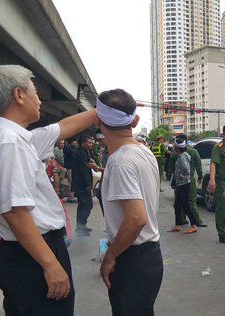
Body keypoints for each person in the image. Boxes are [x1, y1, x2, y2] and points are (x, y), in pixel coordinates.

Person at [0, 64, 97, 315]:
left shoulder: (13, 137)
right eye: (35, 92)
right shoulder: (9, 142)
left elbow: (63, 128)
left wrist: (102, 111)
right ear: (19, 95)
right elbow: (16, 213)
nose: (39, 99)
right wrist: (50, 264)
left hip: (24, 252)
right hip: (32, 255)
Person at [95, 89, 163, 316]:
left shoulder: (120, 161)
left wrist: (109, 257)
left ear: (98, 121)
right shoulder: (144, 152)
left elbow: (136, 219)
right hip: (148, 256)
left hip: (132, 260)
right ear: (134, 121)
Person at [166, 134, 206, 227]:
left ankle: (182, 220)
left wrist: (172, 181)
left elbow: (171, 169)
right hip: (189, 179)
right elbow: (198, 165)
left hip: (178, 180)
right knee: (190, 201)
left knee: (180, 202)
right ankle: (197, 221)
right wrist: (200, 176)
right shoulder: (193, 152)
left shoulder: (174, 154)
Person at [71, 135, 96, 236]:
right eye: (89, 142)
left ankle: (81, 227)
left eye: (91, 142)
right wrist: (88, 184)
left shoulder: (83, 152)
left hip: (80, 184)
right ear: (83, 143)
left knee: (82, 206)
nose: (91, 144)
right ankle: (80, 228)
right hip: (82, 185)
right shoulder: (81, 154)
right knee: (87, 205)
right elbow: (83, 170)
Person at [93, 130, 108, 215]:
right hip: (103, 184)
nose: (99, 142)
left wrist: (98, 168)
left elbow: (112, 170)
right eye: (98, 140)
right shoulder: (105, 151)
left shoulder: (114, 151)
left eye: (101, 140)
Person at [63, 139, 78, 203]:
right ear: (69, 144)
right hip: (69, 168)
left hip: (70, 168)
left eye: (76, 144)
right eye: (73, 144)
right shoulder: (69, 150)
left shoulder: (67, 150)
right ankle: (70, 197)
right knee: (71, 183)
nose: (75, 145)